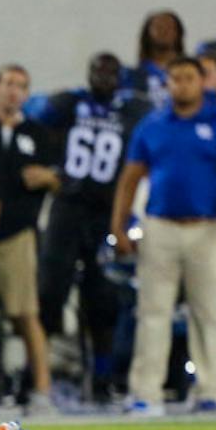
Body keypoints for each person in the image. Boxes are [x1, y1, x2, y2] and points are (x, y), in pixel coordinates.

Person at [111, 55, 216, 415]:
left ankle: (211, 389)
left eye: (188, 78)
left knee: (207, 312)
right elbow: (131, 176)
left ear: (201, 83)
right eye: (175, 78)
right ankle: (145, 393)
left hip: (208, 228)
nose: (182, 84)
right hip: (160, 227)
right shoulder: (152, 126)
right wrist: (118, 224)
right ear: (167, 84)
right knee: (153, 312)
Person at [32, 52, 152, 404]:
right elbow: (34, 123)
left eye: (111, 71)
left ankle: (102, 377)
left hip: (106, 210)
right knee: (50, 289)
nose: (104, 77)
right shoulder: (70, 102)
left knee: (103, 296)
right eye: (98, 70)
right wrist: (51, 170)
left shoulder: (133, 110)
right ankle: (42, 370)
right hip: (68, 206)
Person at [0, 64, 57, 411]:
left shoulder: (37, 134)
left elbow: (59, 177)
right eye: (8, 83)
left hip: (17, 235)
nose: (13, 91)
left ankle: (41, 389)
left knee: (24, 314)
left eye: (21, 86)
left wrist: (49, 177)